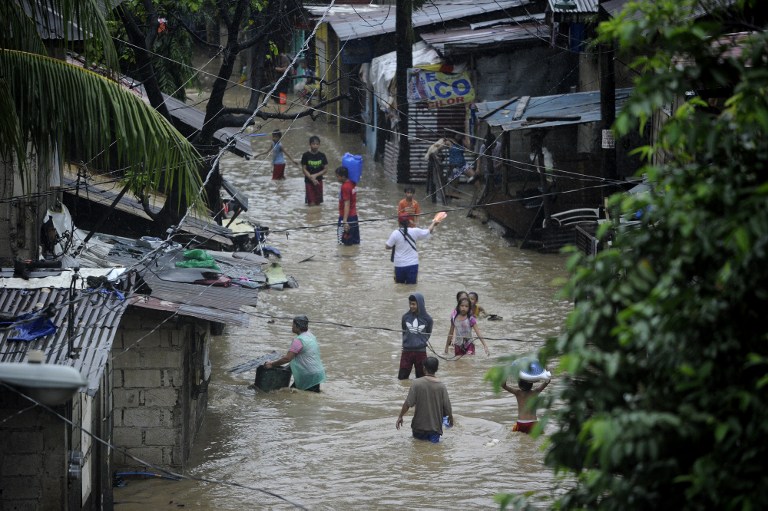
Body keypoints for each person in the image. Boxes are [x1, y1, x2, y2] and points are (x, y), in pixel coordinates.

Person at [396, 356, 453, 443]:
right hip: (435, 429)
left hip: (418, 428)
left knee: (418, 450)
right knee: (434, 452)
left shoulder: (416, 383)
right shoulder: (441, 386)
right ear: (437, 369)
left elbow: (408, 403)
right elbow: (447, 406)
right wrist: (451, 418)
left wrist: (400, 416)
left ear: (424, 368)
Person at [264, 315, 326, 392]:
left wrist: (272, 364)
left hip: (307, 375)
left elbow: (287, 358)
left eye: (293, 325)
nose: (292, 327)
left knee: (294, 395)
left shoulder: (298, 340)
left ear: (297, 326)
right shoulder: (310, 335)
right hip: (316, 373)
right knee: (299, 395)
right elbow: (306, 353)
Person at [385, 213, 442, 285]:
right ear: (409, 222)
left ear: (399, 222)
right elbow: (428, 231)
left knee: (399, 287)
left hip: (399, 265)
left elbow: (387, 246)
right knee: (411, 287)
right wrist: (434, 223)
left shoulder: (395, 233)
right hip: (412, 265)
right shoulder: (415, 231)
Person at [398, 293, 433, 380]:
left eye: (414, 304)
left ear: (420, 304)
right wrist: (406, 343)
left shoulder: (428, 319)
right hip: (406, 352)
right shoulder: (405, 317)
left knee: (421, 379)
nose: (411, 306)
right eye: (410, 303)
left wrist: (419, 342)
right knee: (402, 378)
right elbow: (404, 332)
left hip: (421, 352)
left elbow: (428, 333)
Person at [301, 135, 328, 206]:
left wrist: (316, 175)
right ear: (310, 144)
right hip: (309, 182)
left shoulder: (322, 155)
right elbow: (304, 169)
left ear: (319, 145)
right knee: (311, 203)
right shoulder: (305, 155)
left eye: (317, 144)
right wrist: (311, 178)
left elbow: (325, 169)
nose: (315, 146)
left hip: (319, 181)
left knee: (318, 203)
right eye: (313, 144)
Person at [335, 166, 359, 245]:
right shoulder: (353, 183)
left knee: (342, 243)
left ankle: (344, 257)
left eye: (338, 176)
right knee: (354, 242)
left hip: (346, 217)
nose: (337, 178)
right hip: (354, 217)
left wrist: (344, 221)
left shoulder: (345, 187)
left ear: (343, 176)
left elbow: (347, 204)